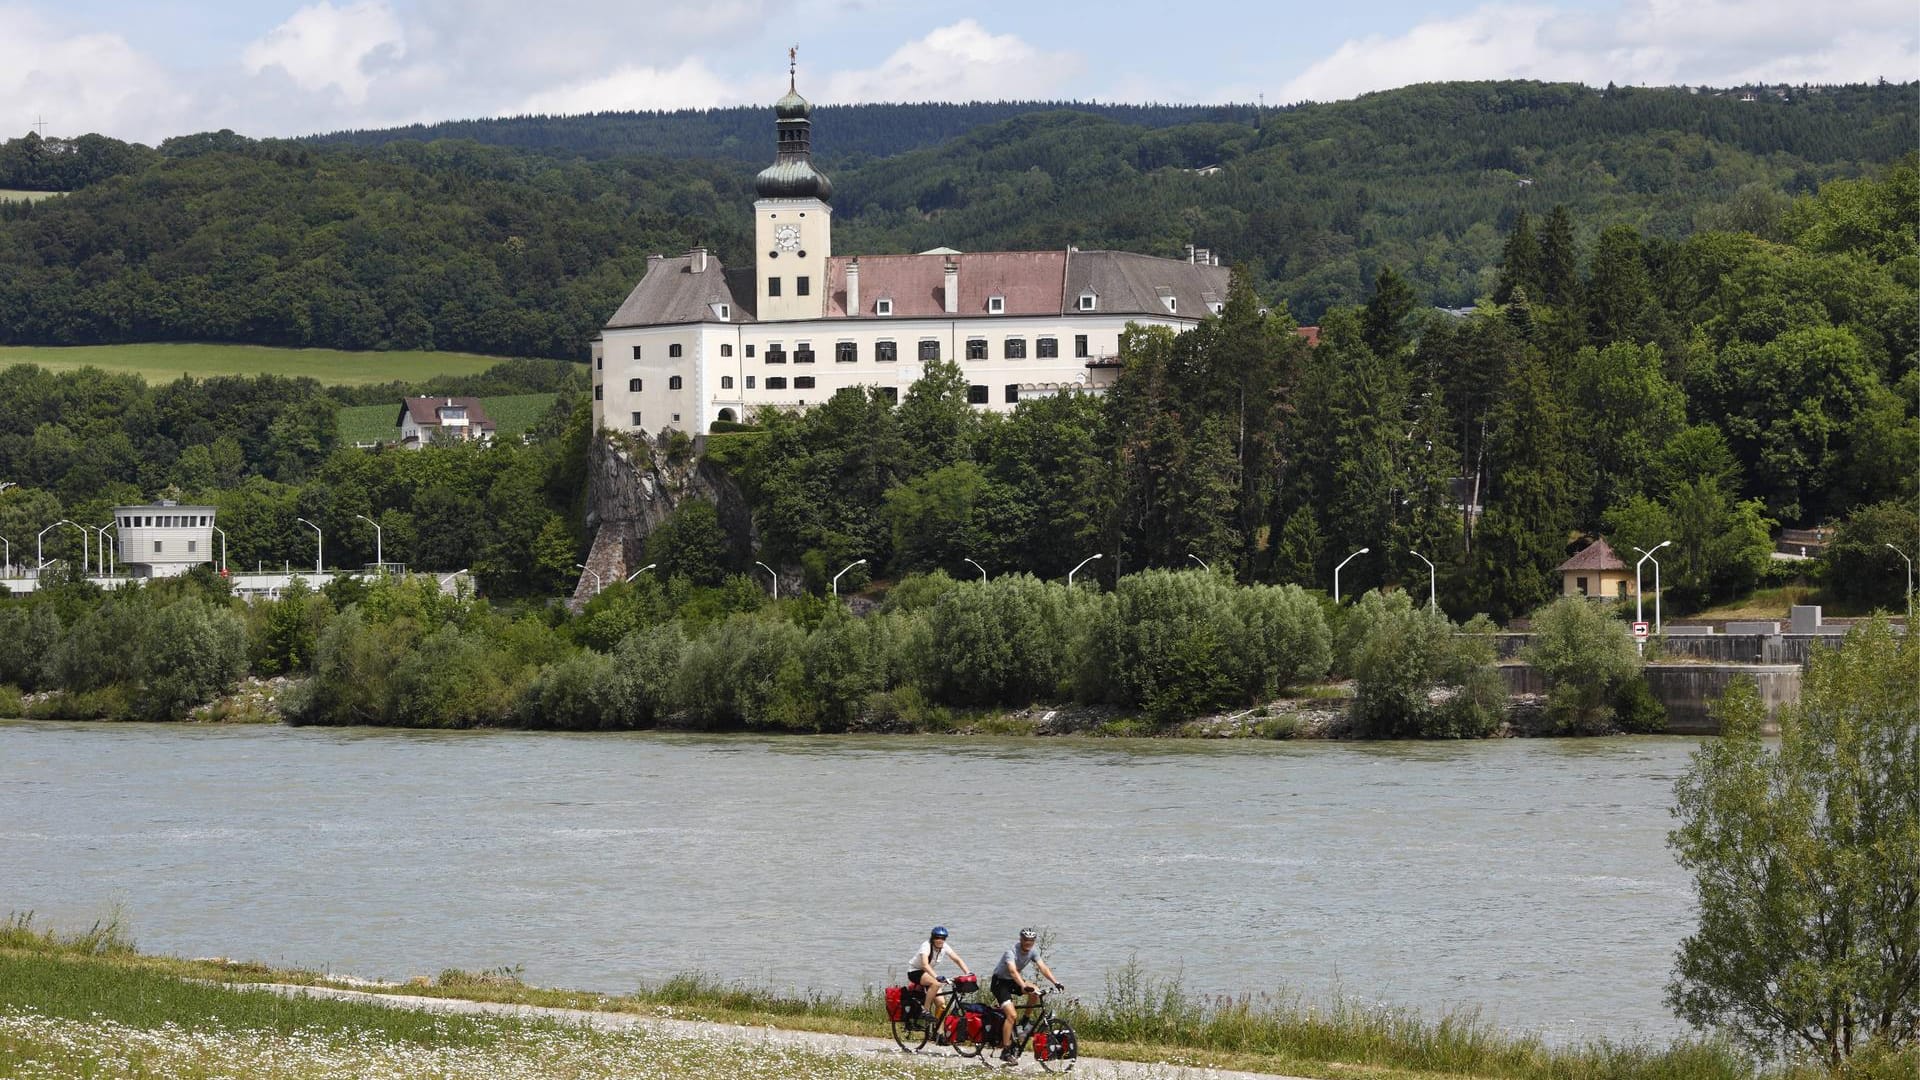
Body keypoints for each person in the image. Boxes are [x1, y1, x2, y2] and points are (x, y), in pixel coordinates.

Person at [990, 927, 1061, 1059]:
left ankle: (1025, 1021)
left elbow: (1043, 968)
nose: (1028, 943)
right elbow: (1012, 971)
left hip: (1013, 981)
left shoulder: (1033, 952)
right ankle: (1005, 1050)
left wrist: (1055, 982)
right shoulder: (1010, 952)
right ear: (1021, 939)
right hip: (1000, 983)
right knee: (1011, 1015)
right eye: (1026, 940)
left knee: (1035, 991)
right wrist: (1023, 985)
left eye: (1031, 940)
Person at [906, 925, 972, 1019]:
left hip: (928, 973)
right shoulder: (926, 946)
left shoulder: (944, 946)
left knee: (941, 1004)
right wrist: (936, 977)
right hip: (915, 971)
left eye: (943, 938)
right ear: (933, 938)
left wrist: (968, 972)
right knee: (936, 983)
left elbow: (957, 959)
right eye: (937, 938)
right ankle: (925, 1010)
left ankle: (938, 1031)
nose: (940, 940)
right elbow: (925, 965)